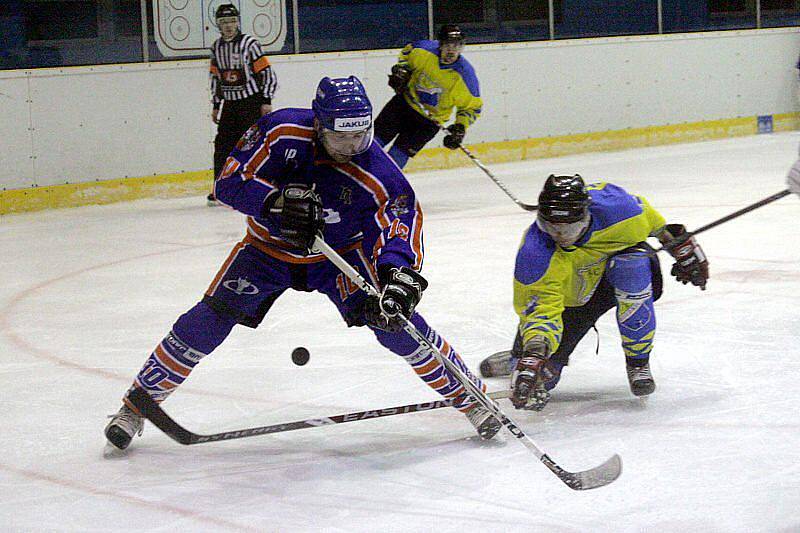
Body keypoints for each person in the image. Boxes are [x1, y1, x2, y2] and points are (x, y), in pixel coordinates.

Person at [104, 76, 501, 451]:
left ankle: (472, 398)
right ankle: (136, 406)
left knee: (397, 323)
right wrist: (274, 201)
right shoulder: (279, 132)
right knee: (206, 322)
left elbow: (398, 221)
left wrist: (397, 274)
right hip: (266, 252)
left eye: (360, 135)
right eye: (340, 136)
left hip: (340, 257)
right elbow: (228, 181)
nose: (352, 146)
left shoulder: (378, 170)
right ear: (318, 124)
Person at [479, 175, 710, 411]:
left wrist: (684, 251)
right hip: (574, 299)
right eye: (552, 227)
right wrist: (534, 353)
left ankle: (638, 362)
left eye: (570, 227)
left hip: (614, 277)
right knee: (542, 381)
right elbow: (541, 310)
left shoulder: (621, 210)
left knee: (632, 265)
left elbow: (658, 226)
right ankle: (517, 358)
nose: (561, 236)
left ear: (586, 215)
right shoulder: (535, 253)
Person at [374, 24, 482, 168]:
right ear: (440, 44)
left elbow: (472, 108)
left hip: (427, 123)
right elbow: (406, 54)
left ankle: (384, 186)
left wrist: (460, 127)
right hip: (403, 105)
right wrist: (401, 71)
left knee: (396, 157)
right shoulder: (422, 51)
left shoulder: (465, 76)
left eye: (457, 46)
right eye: (448, 45)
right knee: (373, 144)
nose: (452, 50)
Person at [208, 3, 278, 205]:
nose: (228, 26)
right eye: (223, 22)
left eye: (232, 21)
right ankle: (219, 188)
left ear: (237, 22)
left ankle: (263, 183)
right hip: (230, 105)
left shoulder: (250, 44)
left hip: (251, 103)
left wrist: (266, 100)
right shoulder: (216, 47)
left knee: (255, 145)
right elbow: (215, 78)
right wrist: (215, 104)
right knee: (223, 146)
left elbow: (267, 74)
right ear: (218, 25)